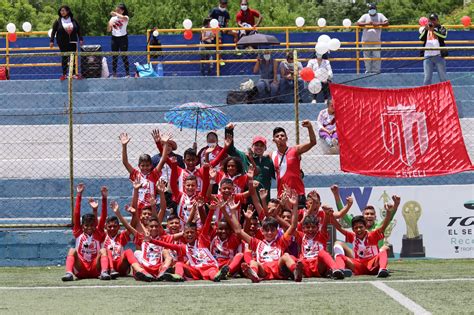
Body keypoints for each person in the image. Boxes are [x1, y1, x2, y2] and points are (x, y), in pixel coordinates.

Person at [332, 195, 400, 278]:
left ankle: (382, 269)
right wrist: (329, 216)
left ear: (375, 217)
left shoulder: (373, 233)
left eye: (371, 214)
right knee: (339, 253)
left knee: (384, 249)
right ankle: (341, 271)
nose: (359, 229)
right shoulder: (353, 233)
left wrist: (391, 210)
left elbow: (385, 224)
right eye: (367, 214)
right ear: (353, 229)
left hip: (374, 262)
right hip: (359, 262)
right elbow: (340, 226)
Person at [61, 184, 110, 281]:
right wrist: (79, 194)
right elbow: (76, 214)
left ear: (94, 225)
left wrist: (104, 198)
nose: (89, 228)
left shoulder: (98, 233)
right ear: (82, 226)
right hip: (81, 269)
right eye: (86, 225)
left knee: (103, 250)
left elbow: (103, 217)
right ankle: (69, 273)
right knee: (72, 250)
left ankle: (104, 272)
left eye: (91, 225)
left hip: (95, 268)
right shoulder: (78, 232)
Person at [271, 120, 317, 208]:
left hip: (298, 194)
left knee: (299, 220)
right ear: (273, 140)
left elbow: (313, 142)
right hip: (282, 196)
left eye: (282, 135)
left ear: (286, 138)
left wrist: (310, 127)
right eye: (277, 136)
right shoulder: (271, 155)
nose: (280, 137)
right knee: (285, 220)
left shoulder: (295, 150)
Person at [119, 132, 170, 210]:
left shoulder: (154, 174)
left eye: (147, 165)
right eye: (143, 165)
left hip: (151, 207)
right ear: (139, 166)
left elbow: (163, 159)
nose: (145, 168)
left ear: (151, 166)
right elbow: (125, 162)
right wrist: (124, 145)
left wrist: (165, 143)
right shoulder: (136, 174)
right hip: (138, 207)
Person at [225, 123, 275, 201]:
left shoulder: (269, 161)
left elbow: (278, 174)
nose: (259, 147)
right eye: (256, 145)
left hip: (264, 200)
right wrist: (229, 131)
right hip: (248, 200)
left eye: (261, 146)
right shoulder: (244, 157)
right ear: (252, 146)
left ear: (265, 148)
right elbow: (231, 150)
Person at [49, 5, 83, 80]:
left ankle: (73, 74)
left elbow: (78, 30)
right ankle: (64, 74)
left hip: (72, 42)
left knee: (73, 57)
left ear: (68, 11)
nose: (62, 12)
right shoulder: (58, 21)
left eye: (63, 10)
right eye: (61, 11)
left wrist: (81, 39)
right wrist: (51, 41)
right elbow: (53, 31)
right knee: (64, 58)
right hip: (62, 42)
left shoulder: (73, 20)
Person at [356, 3, 389, 74]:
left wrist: (378, 24)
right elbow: (358, 23)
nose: (372, 10)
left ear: (376, 9)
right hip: (365, 41)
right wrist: (367, 23)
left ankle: (376, 72)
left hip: (376, 41)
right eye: (370, 9)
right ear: (368, 10)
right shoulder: (365, 16)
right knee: (366, 57)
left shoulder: (380, 15)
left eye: (373, 9)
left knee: (377, 57)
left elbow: (387, 23)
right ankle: (368, 71)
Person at [420, 13, 448, 85]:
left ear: (437, 20)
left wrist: (433, 30)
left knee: (443, 78)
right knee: (427, 78)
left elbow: (443, 36)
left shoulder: (442, 28)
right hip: (427, 56)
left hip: (439, 56)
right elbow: (421, 38)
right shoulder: (425, 29)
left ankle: (445, 95)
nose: (432, 22)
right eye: (430, 20)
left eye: (434, 20)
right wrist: (426, 30)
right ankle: (426, 95)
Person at [107, 4, 130, 78]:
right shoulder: (113, 18)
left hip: (123, 38)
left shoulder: (126, 17)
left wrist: (115, 13)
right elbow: (108, 30)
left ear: (123, 11)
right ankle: (114, 74)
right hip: (114, 38)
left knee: (124, 56)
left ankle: (127, 74)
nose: (117, 11)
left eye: (119, 10)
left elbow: (124, 18)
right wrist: (110, 25)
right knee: (114, 56)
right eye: (116, 9)